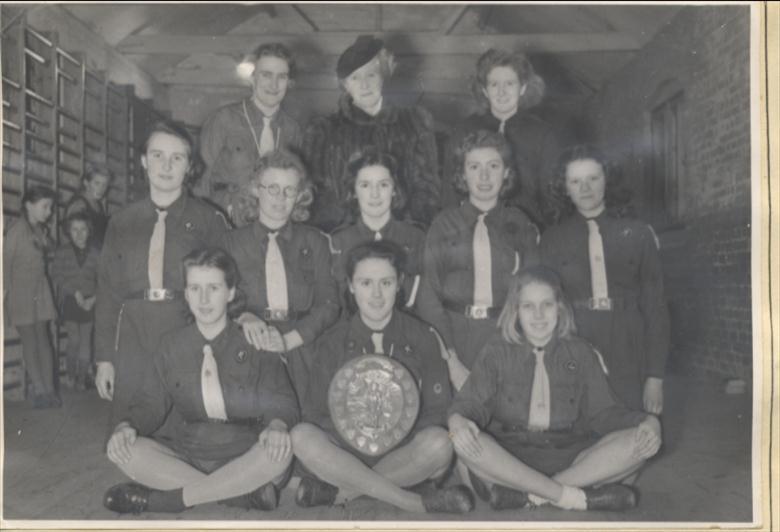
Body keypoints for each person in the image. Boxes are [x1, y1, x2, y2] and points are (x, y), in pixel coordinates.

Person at [448, 266, 662, 512]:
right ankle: (577, 497)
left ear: (559, 308)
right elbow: (470, 404)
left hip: (571, 458)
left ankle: (532, 495)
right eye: (528, 306)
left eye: (547, 304)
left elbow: (605, 413)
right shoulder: (496, 351)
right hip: (510, 456)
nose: (538, 315)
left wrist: (648, 421)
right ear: (516, 310)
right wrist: (457, 421)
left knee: (640, 442)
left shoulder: (581, 352)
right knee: (463, 443)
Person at [102, 247, 298, 515]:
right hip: (192, 455)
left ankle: (170, 501)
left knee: (280, 453)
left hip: (249, 454)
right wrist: (126, 426)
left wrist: (277, 425)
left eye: (214, 288)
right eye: (195, 288)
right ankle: (238, 495)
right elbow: (150, 403)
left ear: (230, 292)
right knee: (128, 450)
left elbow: (283, 400)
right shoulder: (171, 346)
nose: (204, 299)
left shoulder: (255, 340)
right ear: (186, 293)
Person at [291, 241, 474, 515]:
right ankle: (412, 500)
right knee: (300, 436)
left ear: (400, 283)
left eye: (386, 283)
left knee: (440, 442)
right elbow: (314, 413)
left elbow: (437, 410)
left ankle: (344, 493)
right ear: (351, 286)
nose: (376, 294)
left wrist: (400, 432)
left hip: (404, 452)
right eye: (366, 283)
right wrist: (353, 435)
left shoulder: (423, 335)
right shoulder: (331, 342)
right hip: (346, 453)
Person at [94, 121, 229, 432]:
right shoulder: (122, 222)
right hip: (133, 333)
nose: (166, 166)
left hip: (185, 327)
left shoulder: (209, 219)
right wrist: (104, 359)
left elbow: (226, 286)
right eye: (157, 155)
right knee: (131, 429)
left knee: (182, 425)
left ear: (189, 166)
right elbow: (108, 292)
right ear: (144, 161)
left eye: (177, 158)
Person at [540, 145, 670, 413]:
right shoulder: (552, 239)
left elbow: (656, 308)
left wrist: (655, 377)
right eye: (576, 181)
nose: (585, 188)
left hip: (628, 339)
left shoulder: (638, 233)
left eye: (593, 178)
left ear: (607, 179)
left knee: (632, 427)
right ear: (565, 187)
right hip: (577, 335)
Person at [417, 130, 539, 391]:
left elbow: (533, 293)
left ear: (506, 172)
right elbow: (428, 298)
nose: (484, 176)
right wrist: (451, 361)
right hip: (454, 337)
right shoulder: (443, 224)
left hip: (505, 335)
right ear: (463, 174)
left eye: (493, 166)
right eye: (474, 167)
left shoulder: (520, 223)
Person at [224, 150, 339, 403]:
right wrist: (244, 317)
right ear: (256, 189)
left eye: (290, 190)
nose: (280, 198)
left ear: (300, 195)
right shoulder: (231, 242)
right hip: (249, 344)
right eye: (272, 188)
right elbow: (219, 299)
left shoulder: (315, 241)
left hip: (303, 347)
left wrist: (289, 341)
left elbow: (329, 305)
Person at [303, 35, 440, 232]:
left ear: (383, 76)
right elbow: (317, 196)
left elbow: (427, 189)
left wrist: (405, 230)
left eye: (371, 75)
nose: (364, 85)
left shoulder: (414, 123)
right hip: (342, 236)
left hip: (402, 235)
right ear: (345, 85)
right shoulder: (323, 131)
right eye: (355, 78)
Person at [444, 49, 567, 229]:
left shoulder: (543, 134)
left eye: (509, 83)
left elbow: (554, 198)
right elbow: (449, 195)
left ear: (523, 87)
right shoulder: (464, 130)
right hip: (472, 230)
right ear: (485, 90)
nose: (502, 92)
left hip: (527, 231)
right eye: (494, 84)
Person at [199, 43, 303, 227]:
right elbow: (201, 180)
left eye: (282, 77)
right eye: (266, 75)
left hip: (273, 222)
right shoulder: (224, 119)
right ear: (252, 78)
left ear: (289, 82)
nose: (274, 84)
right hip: (226, 220)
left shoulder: (292, 129)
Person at [330, 148, 425, 314]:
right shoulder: (337, 242)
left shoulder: (416, 238)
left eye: (383, 184)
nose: (375, 194)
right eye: (365, 185)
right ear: (353, 192)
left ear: (395, 189)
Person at [3, 185, 60, 408]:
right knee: (30, 341)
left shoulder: (41, 231)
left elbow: (47, 254)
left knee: (44, 340)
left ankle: (50, 390)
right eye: (45, 207)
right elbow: (5, 265)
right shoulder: (16, 229)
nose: (49, 212)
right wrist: (4, 296)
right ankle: (39, 390)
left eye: (51, 207)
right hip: (21, 291)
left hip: (40, 290)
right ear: (28, 205)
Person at [50, 212, 100, 391]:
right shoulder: (62, 252)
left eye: (83, 229)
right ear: (68, 232)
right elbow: (56, 275)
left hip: (90, 301)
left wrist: (93, 299)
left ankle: (81, 380)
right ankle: (70, 376)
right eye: (74, 230)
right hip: (70, 300)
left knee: (86, 341)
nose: (79, 234)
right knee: (75, 339)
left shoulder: (96, 253)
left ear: (89, 231)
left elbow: (104, 280)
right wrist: (75, 292)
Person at [65, 164, 113, 248]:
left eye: (104, 185)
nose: (101, 189)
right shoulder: (79, 205)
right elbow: (75, 238)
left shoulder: (98, 204)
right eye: (97, 183)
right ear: (86, 183)